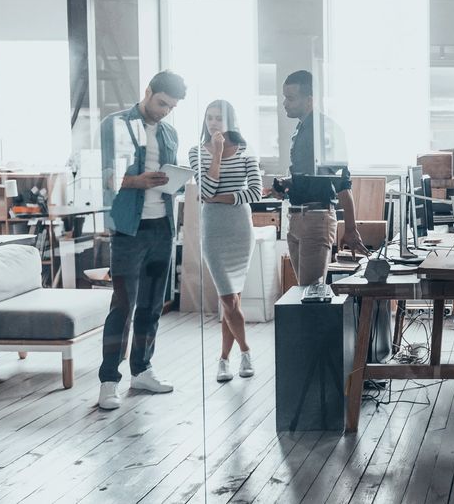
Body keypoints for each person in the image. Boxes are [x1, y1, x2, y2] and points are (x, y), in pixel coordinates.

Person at [97, 71, 186, 411]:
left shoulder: (169, 132)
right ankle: (108, 381)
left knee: (151, 306)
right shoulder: (115, 125)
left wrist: (173, 182)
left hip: (162, 228)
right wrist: (138, 181)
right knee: (122, 306)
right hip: (127, 231)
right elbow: (104, 175)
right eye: (162, 102)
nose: (165, 111)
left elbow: (169, 178)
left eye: (171, 107)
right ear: (147, 92)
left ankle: (142, 370)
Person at [269, 70, 369, 286]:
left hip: (315, 219)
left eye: (291, 98)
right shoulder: (302, 129)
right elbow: (311, 178)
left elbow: (342, 183)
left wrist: (351, 229)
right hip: (297, 218)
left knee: (311, 293)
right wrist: (287, 184)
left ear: (310, 100)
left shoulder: (327, 131)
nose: (285, 103)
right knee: (305, 292)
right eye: (284, 97)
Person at [188, 100, 262, 383]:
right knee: (229, 298)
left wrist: (220, 199)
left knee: (231, 301)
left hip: (240, 229)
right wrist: (217, 153)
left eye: (219, 118)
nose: (213, 123)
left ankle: (223, 360)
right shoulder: (196, 152)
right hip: (214, 231)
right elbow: (205, 188)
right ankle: (246, 350)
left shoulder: (246, 151)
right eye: (209, 118)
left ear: (231, 121)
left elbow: (255, 192)